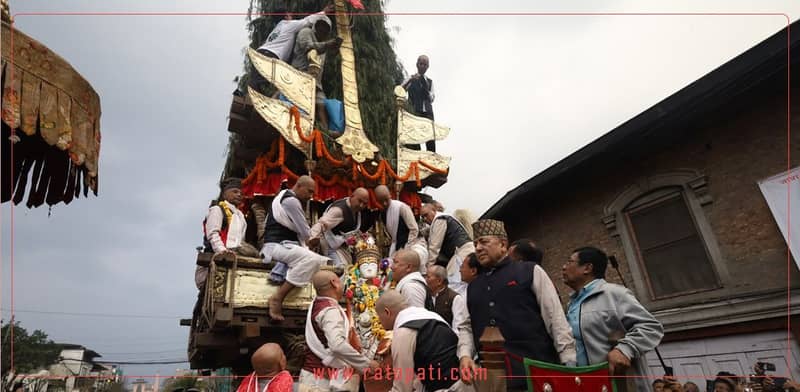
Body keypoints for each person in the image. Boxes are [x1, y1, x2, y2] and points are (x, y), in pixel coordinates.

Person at [458, 219, 576, 392]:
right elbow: (466, 326)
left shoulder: (529, 271)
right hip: (494, 381)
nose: (478, 248)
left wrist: (569, 360)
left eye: (484, 242)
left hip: (537, 373)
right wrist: (465, 355)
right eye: (476, 244)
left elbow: (555, 317)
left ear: (503, 244)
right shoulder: (473, 287)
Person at [562, 246, 664, 392]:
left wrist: (624, 350)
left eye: (569, 262)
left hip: (618, 386)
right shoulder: (571, 304)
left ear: (587, 268)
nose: (564, 267)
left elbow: (651, 327)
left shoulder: (614, 294)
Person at [262, 176, 330, 321]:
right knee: (313, 259)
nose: (311, 196)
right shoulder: (292, 201)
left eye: (313, 193)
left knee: (319, 260)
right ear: (298, 186)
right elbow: (306, 234)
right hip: (276, 246)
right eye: (309, 191)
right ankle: (277, 298)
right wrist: (313, 241)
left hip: (283, 246)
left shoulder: (286, 198)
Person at [300, 270, 379, 391]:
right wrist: (366, 364)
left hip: (314, 376)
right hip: (320, 382)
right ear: (334, 283)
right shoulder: (329, 311)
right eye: (339, 279)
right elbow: (337, 345)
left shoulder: (318, 302)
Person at [375, 290, 462, 392]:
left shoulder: (404, 331)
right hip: (464, 382)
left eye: (379, 317)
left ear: (387, 312)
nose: (379, 322)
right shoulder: (432, 315)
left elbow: (402, 388)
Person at [248, 4, 333, 93]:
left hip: (260, 53)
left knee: (256, 81)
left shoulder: (277, 28)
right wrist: (324, 12)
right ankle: (252, 98)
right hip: (271, 56)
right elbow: (307, 21)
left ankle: (250, 100)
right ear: (286, 16)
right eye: (289, 14)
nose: (291, 16)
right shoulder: (289, 25)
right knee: (261, 81)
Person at [291, 13, 342, 131]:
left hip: (315, 82)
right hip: (299, 74)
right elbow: (308, 47)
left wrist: (334, 50)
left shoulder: (323, 46)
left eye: (325, 28)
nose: (322, 29)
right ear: (316, 26)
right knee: (290, 96)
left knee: (321, 103)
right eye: (320, 26)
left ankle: (325, 131)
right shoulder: (306, 32)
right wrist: (328, 44)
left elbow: (326, 63)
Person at [308, 188, 372, 270]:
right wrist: (312, 238)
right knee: (341, 269)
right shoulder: (339, 210)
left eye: (365, 203)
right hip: (330, 245)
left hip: (341, 246)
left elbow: (350, 230)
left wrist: (360, 236)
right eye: (360, 201)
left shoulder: (355, 210)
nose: (361, 205)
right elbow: (321, 224)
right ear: (352, 196)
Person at [420, 203, 474, 296]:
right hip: (464, 251)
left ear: (434, 211)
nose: (425, 219)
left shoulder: (440, 219)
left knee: (454, 284)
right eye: (422, 217)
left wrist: (427, 271)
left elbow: (434, 247)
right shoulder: (444, 219)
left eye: (426, 215)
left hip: (461, 252)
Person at [401, 55, 436, 152]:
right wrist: (411, 80)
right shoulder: (411, 78)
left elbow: (432, 98)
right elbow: (400, 89)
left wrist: (425, 87)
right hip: (415, 110)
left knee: (430, 137)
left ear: (428, 66)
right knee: (414, 135)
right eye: (421, 64)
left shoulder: (430, 82)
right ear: (417, 65)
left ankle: (431, 157)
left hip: (428, 112)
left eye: (425, 64)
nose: (423, 66)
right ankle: (416, 154)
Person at [374, 185, 419, 257]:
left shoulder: (402, 207)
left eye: (386, 200)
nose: (384, 203)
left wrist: (406, 249)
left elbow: (414, 229)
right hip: (396, 247)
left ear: (390, 195)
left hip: (409, 247)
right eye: (381, 201)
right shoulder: (382, 213)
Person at [425, 265, 468, 334]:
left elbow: (457, 326)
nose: (425, 280)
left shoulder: (454, 298)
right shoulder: (425, 296)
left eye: (428, 277)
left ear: (439, 281)